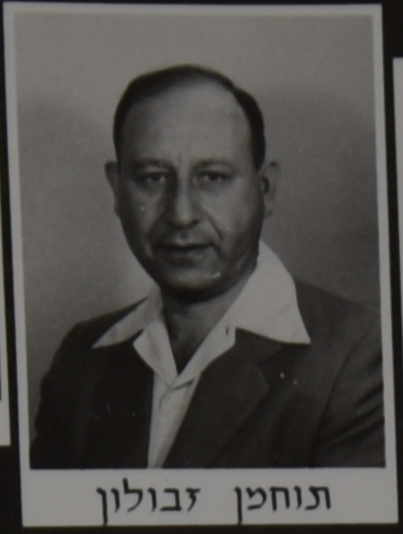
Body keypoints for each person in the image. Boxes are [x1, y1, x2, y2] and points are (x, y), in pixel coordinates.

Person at [30, 65, 384, 469]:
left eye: (212, 177)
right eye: (153, 178)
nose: (181, 214)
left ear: (265, 190)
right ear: (117, 188)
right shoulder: (81, 356)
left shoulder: (358, 357)